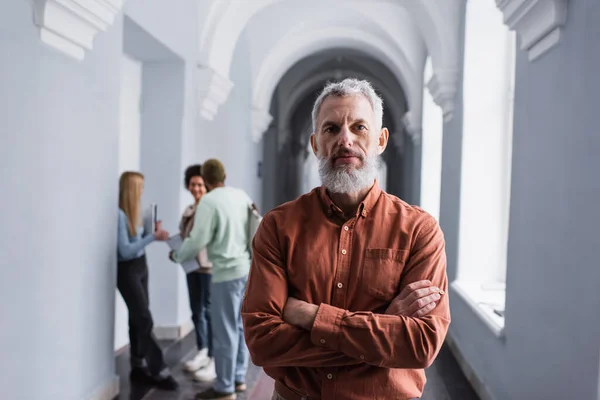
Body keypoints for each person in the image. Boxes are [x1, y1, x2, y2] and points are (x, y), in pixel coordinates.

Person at [241, 78, 450, 400]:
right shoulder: (278, 226)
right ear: (315, 144)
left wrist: (312, 317)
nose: (345, 139)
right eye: (331, 128)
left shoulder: (420, 230)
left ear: (380, 140)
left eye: (359, 127)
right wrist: (385, 325)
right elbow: (263, 341)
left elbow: (420, 344)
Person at [170, 159, 252, 400]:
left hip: (225, 274)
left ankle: (225, 388)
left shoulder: (209, 201)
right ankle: (238, 378)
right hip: (246, 270)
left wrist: (177, 254)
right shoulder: (241, 195)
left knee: (225, 331)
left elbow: (197, 239)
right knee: (239, 327)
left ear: (205, 179)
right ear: (224, 176)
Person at [117, 171, 179, 391]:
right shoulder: (119, 216)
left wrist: (150, 230)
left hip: (141, 266)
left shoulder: (132, 213)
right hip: (127, 270)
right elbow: (124, 251)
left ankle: (137, 365)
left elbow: (137, 241)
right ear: (132, 189)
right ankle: (159, 369)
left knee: (137, 319)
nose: (143, 191)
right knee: (144, 319)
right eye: (140, 187)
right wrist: (152, 237)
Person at [179, 165, 215, 379]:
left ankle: (212, 355)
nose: (196, 188)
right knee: (196, 310)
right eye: (193, 184)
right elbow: (185, 237)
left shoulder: (210, 209)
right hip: (191, 266)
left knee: (209, 311)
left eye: (200, 184)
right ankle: (202, 349)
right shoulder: (189, 210)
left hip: (208, 267)